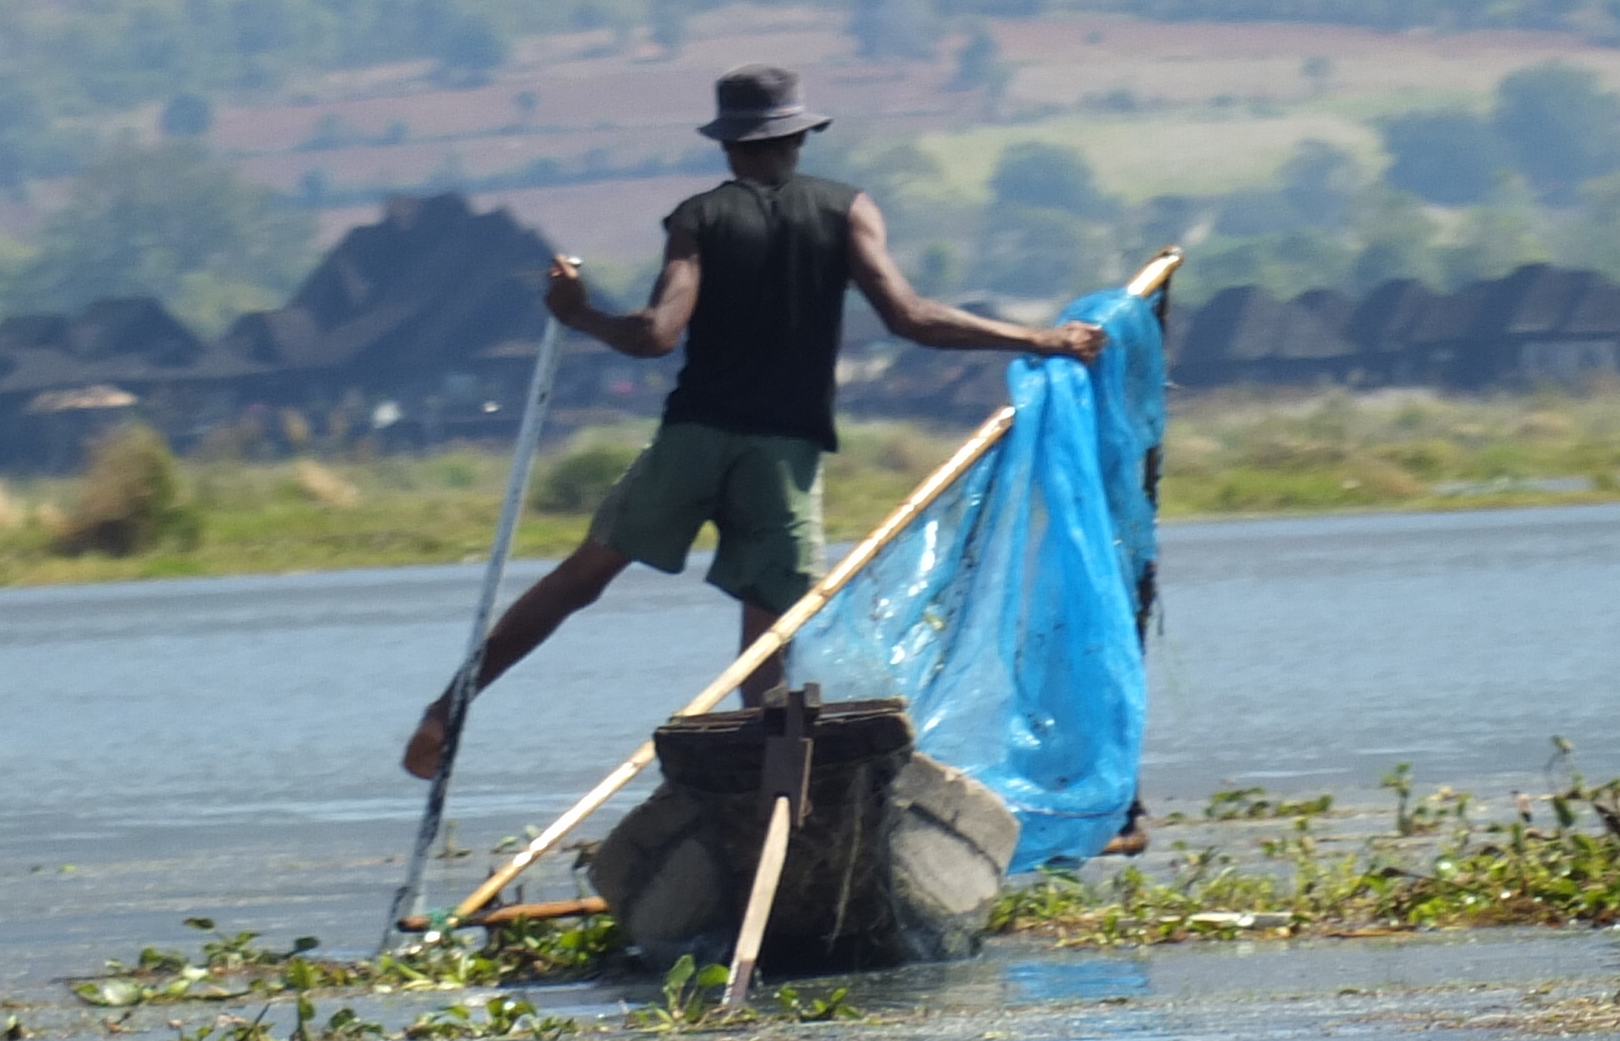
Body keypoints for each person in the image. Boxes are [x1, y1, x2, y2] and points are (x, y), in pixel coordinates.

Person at [402, 64, 1105, 778]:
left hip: (694, 438)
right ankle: (768, 792)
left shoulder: (699, 219)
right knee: (769, 636)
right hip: (783, 452)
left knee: (582, 578)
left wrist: (578, 312)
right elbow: (911, 317)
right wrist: (1041, 339)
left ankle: (444, 712)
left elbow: (655, 335)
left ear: (728, 145)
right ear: (798, 138)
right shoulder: (847, 210)